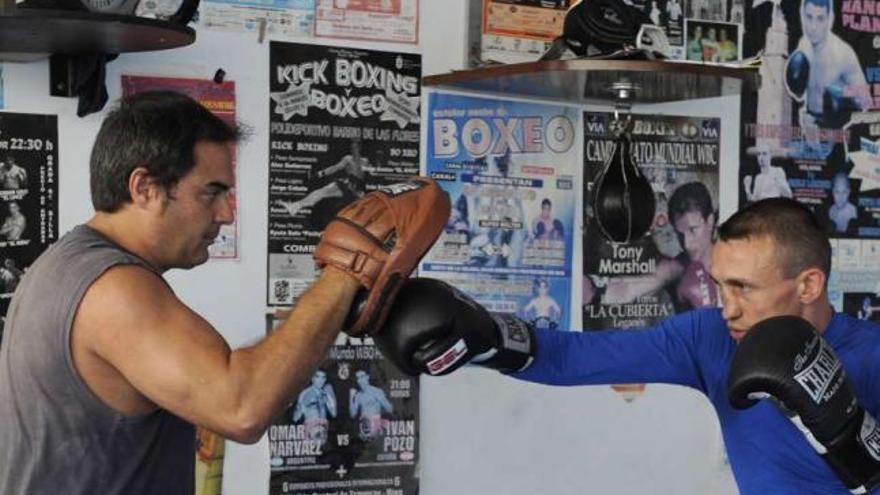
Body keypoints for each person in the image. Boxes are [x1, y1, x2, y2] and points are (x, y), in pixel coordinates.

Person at [0, 91, 440, 495]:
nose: (227, 213)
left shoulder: (65, 266)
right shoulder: (111, 288)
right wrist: (346, 272)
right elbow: (241, 407)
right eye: (211, 192)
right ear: (144, 188)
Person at [379, 197, 880, 494]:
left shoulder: (873, 355)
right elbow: (575, 357)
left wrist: (858, 451)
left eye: (743, 288)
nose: (727, 306)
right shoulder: (711, 338)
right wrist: (488, 336)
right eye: (721, 284)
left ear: (809, 286)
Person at [786, 0, 870, 130]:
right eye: (809, 17)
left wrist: (841, 94)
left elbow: (865, 100)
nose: (813, 27)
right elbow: (798, 94)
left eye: (820, 19)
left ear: (829, 20)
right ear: (802, 15)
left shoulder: (843, 54)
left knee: (832, 92)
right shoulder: (804, 45)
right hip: (810, 127)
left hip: (837, 131)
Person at [274, 138, 367, 219]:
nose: (354, 147)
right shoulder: (353, 159)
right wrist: (320, 174)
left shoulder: (358, 160)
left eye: (356, 145)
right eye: (353, 145)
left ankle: (296, 206)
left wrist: (320, 174)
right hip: (351, 190)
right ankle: (296, 206)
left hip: (356, 192)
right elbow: (335, 168)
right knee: (321, 192)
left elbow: (340, 169)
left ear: (359, 147)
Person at [291, 369, 337, 445]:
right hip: (310, 432)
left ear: (325, 379)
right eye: (317, 377)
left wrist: (330, 396)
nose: (320, 380)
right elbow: (295, 418)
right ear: (312, 379)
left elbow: (334, 413)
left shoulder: (326, 392)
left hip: (323, 432)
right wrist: (303, 406)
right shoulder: (305, 394)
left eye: (323, 377)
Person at [349, 369, 393, 440]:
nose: (360, 380)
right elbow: (353, 414)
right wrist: (351, 397)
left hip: (376, 429)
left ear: (367, 377)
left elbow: (389, 408)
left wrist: (381, 422)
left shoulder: (376, 392)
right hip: (364, 430)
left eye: (362, 376)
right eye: (358, 378)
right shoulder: (358, 396)